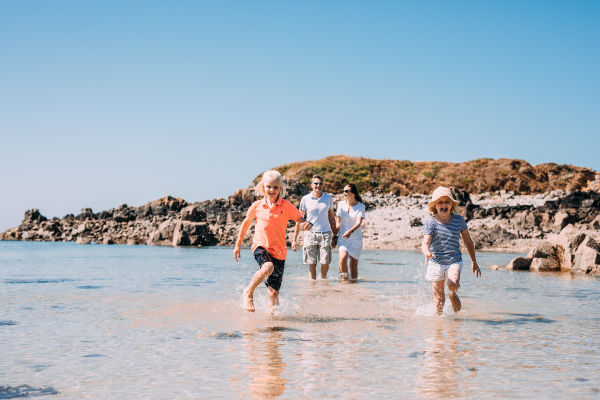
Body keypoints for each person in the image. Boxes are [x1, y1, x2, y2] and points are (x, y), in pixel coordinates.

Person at [234, 170, 312, 313]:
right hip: (260, 246)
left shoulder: (286, 205)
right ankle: (248, 292)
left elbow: (299, 219)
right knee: (268, 267)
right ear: (263, 187)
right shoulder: (257, 205)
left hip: (279, 252)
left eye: (275, 187)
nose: (272, 190)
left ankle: (273, 327)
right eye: (269, 187)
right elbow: (246, 222)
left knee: (273, 294)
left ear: (280, 188)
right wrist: (238, 244)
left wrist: (305, 224)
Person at [421, 186, 481, 314]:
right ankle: (438, 329)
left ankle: (453, 294)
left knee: (452, 284)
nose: (444, 205)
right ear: (434, 206)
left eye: (447, 202)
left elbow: (468, 241)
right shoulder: (431, 222)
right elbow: (426, 241)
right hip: (435, 262)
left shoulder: (458, 220)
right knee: (439, 300)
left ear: (452, 205)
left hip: (454, 261)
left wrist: (473, 261)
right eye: (440, 202)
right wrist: (426, 252)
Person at [292, 174, 338, 280]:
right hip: (310, 234)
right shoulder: (305, 199)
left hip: (325, 234)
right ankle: (313, 287)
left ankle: (322, 280)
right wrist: (294, 240)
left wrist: (335, 235)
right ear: (312, 185)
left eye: (320, 184)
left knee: (325, 262)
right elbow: (299, 219)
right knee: (311, 263)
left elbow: (332, 218)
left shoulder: (328, 198)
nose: (318, 185)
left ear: (323, 185)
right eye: (316, 183)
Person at [335, 183, 365, 281]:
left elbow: (359, 222)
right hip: (343, 237)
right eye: (343, 191)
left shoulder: (361, 206)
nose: (344, 193)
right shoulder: (341, 204)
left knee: (353, 266)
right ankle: (344, 282)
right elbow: (338, 222)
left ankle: (353, 287)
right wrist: (334, 236)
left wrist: (350, 231)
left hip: (355, 239)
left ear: (353, 193)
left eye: (346, 191)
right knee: (342, 258)